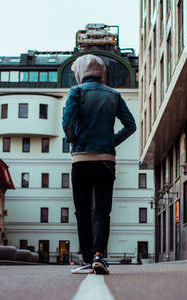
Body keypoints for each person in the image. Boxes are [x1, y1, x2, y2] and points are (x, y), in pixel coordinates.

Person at [62, 54, 136, 274]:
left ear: (80, 72)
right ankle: (99, 256)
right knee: (103, 211)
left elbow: (67, 122)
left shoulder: (76, 92)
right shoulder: (114, 94)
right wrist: (110, 141)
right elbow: (130, 125)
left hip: (81, 159)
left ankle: (86, 259)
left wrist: (74, 138)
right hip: (106, 160)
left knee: (82, 210)